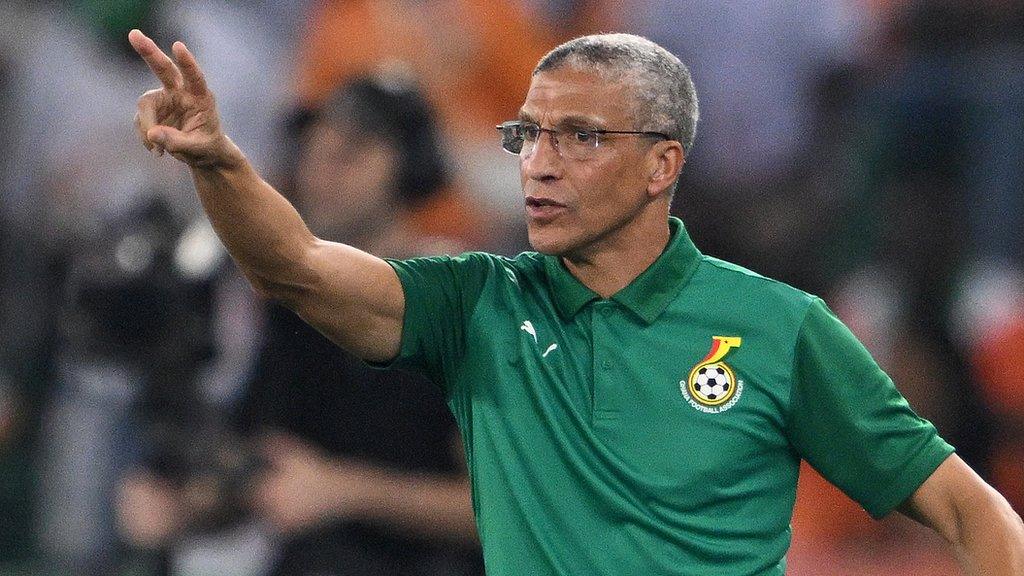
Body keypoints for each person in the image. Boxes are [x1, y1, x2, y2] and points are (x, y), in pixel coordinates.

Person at [127, 29, 1024, 575]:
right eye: (528, 136)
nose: (539, 163)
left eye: (581, 137)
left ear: (661, 164)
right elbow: (297, 267)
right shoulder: (475, 300)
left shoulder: (779, 330)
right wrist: (219, 161)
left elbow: (968, 511)